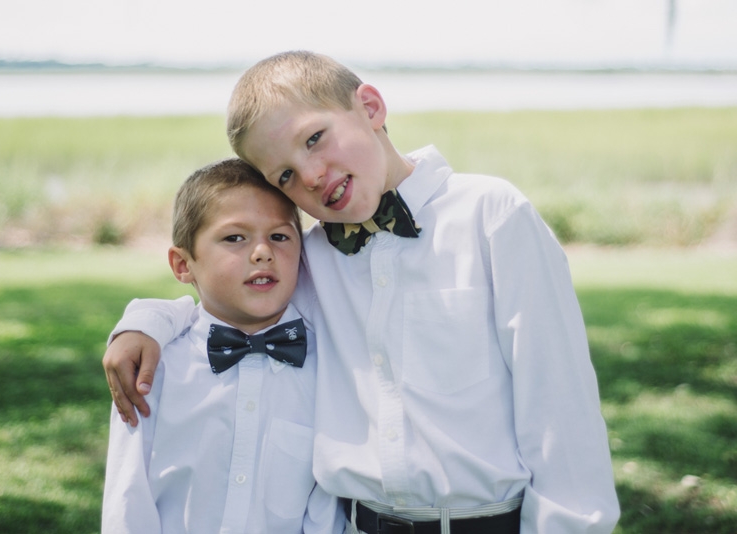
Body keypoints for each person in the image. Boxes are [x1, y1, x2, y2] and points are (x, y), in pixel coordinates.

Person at [104, 51, 620, 533]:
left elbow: (560, 408)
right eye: (285, 175)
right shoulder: (311, 256)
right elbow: (230, 303)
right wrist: (146, 321)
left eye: (314, 139)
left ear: (370, 107)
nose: (310, 175)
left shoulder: (490, 216)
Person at [101, 158, 344, 534]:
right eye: (235, 238)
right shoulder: (152, 368)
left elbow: (326, 506)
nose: (262, 252)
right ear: (183, 265)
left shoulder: (326, 367)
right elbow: (127, 501)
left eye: (279, 236)